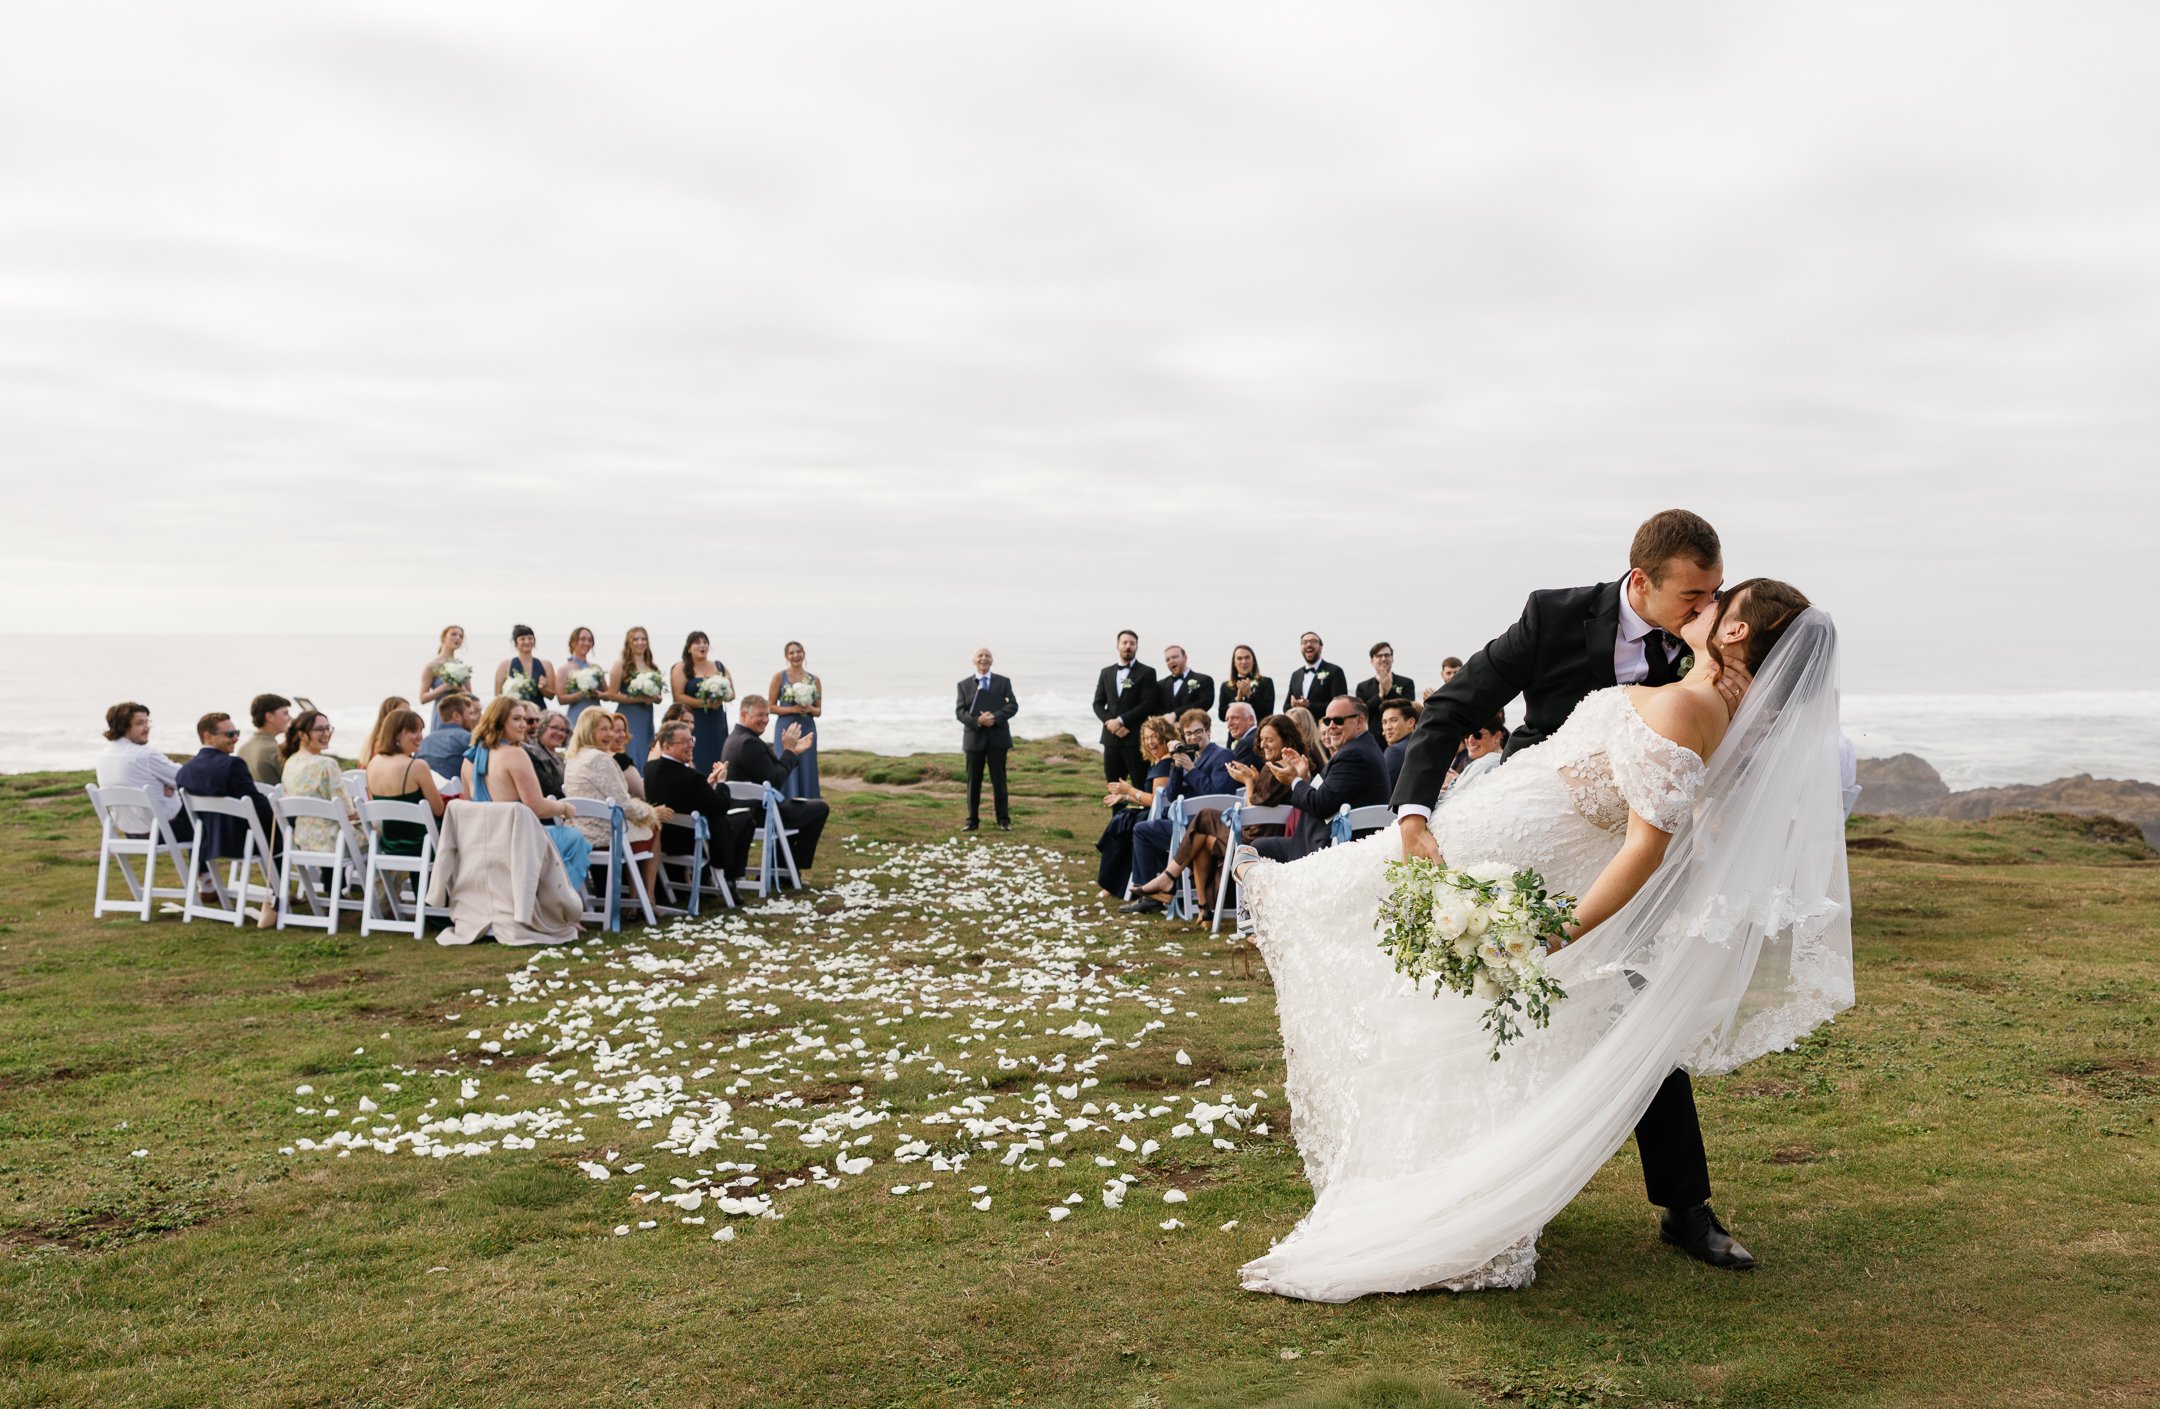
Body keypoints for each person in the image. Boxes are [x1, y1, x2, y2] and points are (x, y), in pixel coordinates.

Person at [1236, 571, 1840, 1302]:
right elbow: (1455, 708)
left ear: (1737, 630)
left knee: (1528, 1013)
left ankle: (1668, 1207)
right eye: (1699, 590)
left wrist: (1552, 931)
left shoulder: (1689, 701)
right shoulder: (1581, 630)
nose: (1704, 604)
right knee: (1432, 999)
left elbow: (1647, 847)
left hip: (1554, 867)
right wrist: (1416, 813)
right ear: (1648, 579)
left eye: (1718, 597)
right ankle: (1427, 1174)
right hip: (1501, 819)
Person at [461, 696, 593, 881]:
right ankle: (555, 902)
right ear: (498, 721)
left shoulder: (469, 758)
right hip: (515, 841)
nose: (523, 725)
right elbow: (537, 806)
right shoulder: (515, 755)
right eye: (516, 719)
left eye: (524, 719)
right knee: (575, 839)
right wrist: (564, 808)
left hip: (484, 840)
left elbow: (470, 805)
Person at [1122, 710, 1239, 915]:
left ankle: (1153, 894)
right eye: (1188, 734)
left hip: (1207, 828)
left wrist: (1192, 770)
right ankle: (1152, 891)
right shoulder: (1190, 756)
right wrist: (1177, 766)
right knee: (1143, 828)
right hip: (1187, 824)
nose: (1193, 737)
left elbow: (1216, 795)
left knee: (1143, 830)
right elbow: (1171, 792)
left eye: (1198, 732)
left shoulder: (1222, 755)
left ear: (1209, 731)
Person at [1248, 695, 1390, 864]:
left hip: (1327, 849)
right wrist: (1304, 776)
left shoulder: (1353, 754)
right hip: (1332, 842)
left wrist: (1294, 781)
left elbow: (1320, 805)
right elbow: (1328, 794)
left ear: (1359, 722)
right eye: (1327, 720)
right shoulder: (1363, 748)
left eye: (1338, 720)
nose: (1331, 727)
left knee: (1252, 850)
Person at [564, 709, 672, 902]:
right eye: (603, 729)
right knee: (654, 826)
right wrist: (651, 811)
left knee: (645, 822)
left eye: (610, 729)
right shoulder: (600, 759)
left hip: (581, 830)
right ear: (588, 731)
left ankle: (638, 898)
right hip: (606, 834)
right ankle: (646, 898)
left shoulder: (574, 757)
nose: (609, 735)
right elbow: (623, 804)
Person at [643, 719, 756, 889]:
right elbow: (720, 807)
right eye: (684, 742)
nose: (690, 745)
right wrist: (722, 783)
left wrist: (707, 784)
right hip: (691, 841)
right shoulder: (690, 776)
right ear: (666, 747)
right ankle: (730, 877)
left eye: (691, 740)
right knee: (746, 818)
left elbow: (685, 796)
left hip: (664, 837)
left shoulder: (649, 769)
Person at [722, 695, 830, 873]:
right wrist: (789, 751)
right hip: (759, 814)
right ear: (743, 714)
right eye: (760, 715)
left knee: (794, 809)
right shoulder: (749, 743)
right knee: (819, 808)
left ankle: (781, 867)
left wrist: (793, 751)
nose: (765, 720)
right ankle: (791, 868)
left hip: (744, 809)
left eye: (767, 715)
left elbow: (768, 775)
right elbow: (774, 782)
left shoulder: (734, 737)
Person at [176, 711, 273, 865]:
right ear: (208, 736)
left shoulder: (185, 771)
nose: (236, 738)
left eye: (237, 733)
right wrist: (280, 816)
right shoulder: (232, 765)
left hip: (208, 842)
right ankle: (280, 885)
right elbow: (257, 805)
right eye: (229, 734)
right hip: (242, 842)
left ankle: (206, 881)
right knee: (281, 829)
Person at [1094, 716, 1176, 898]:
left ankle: (1113, 885)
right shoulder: (1159, 761)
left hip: (1160, 819)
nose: (1150, 742)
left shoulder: (1166, 764)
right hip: (1153, 814)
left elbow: (1157, 801)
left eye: (1154, 736)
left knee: (1121, 824)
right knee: (1121, 820)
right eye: (1146, 738)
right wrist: (1124, 796)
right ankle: (1115, 884)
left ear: (1166, 736)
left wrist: (1130, 789)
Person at [96, 702, 190, 842]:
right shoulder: (146, 755)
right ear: (123, 726)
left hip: (130, 831)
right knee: (200, 815)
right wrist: (169, 787)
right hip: (162, 832)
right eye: (140, 723)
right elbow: (187, 779)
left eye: (147, 722)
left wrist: (166, 786)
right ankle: (202, 863)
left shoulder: (102, 757)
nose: (147, 728)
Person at [363, 708, 446, 858]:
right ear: (395, 734)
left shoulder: (373, 764)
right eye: (413, 731)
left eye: (421, 731)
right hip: (423, 845)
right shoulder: (416, 766)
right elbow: (438, 809)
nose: (420, 737)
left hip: (389, 844)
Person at [957, 648, 1019, 832]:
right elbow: (960, 712)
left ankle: (1003, 820)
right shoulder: (963, 685)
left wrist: (995, 717)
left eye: (987, 656)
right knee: (973, 781)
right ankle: (972, 821)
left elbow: (1013, 705)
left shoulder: (1003, 682)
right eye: (980, 656)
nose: (984, 658)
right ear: (973, 660)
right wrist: (978, 721)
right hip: (973, 739)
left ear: (992, 660)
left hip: (997, 739)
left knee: (999, 781)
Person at [1092, 631, 1157, 790]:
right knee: (1114, 787)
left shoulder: (1147, 672)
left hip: (1135, 738)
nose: (1128, 646)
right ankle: (1117, 815)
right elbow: (1098, 703)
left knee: (1141, 785)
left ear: (1137, 647)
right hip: (1111, 740)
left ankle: (1145, 815)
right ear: (1117, 645)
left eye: (1132, 643)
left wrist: (1121, 721)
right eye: (1125, 642)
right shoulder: (1106, 672)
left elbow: (1148, 704)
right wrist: (1111, 724)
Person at [279, 709, 346, 856]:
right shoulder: (327, 764)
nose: (326, 733)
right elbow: (346, 809)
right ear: (301, 734)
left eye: (328, 728)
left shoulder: (290, 762)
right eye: (319, 730)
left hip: (303, 838)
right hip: (334, 840)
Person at [767, 640, 823, 801]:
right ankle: (784, 801)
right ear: (786, 656)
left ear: (804, 654)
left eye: (798, 651)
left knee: (807, 765)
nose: (796, 655)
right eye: (791, 653)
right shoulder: (779, 677)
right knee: (785, 763)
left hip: (807, 726)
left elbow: (819, 710)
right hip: (786, 728)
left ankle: (809, 802)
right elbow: (770, 706)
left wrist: (810, 709)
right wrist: (792, 709)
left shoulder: (814, 680)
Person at [673, 631, 734, 776]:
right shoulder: (681, 668)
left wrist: (722, 696)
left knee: (718, 754)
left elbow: (732, 694)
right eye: (697, 642)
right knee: (697, 754)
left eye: (705, 642)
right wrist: (704, 703)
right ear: (689, 648)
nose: (702, 645)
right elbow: (678, 697)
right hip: (694, 721)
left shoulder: (719, 666)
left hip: (716, 721)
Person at [609, 626, 665, 766]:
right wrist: (639, 699)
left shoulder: (653, 667)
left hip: (646, 715)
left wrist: (655, 698)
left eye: (643, 638)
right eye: (636, 639)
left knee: (646, 748)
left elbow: (659, 697)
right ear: (629, 642)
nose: (640, 642)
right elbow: (612, 694)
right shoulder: (620, 665)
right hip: (628, 715)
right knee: (631, 749)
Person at [1355, 642, 1416, 735]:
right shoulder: (1362, 687)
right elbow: (1362, 714)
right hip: (1373, 737)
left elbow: (1410, 710)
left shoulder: (1406, 683)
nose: (1383, 659)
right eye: (1379, 656)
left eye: (1387, 655)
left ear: (1392, 658)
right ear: (1372, 660)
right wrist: (1380, 695)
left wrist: (1389, 691)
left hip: (1400, 736)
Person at [416, 694, 478, 780]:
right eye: (470, 714)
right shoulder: (467, 738)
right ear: (457, 716)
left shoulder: (423, 742)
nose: (474, 718)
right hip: (458, 790)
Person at [1443, 715, 1507, 797]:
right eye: (1466, 735)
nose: (1470, 740)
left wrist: (1450, 784)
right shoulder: (1499, 761)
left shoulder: (1488, 761)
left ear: (1497, 737)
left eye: (1477, 735)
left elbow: (1454, 798)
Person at [1285, 632, 1347, 717]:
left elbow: (1340, 705)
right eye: (1304, 642)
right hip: (1299, 727)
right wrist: (1294, 705)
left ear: (1321, 647)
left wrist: (1309, 705)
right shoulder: (1296, 675)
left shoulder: (1335, 671)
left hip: (1324, 726)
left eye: (1313, 641)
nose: (1309, 644)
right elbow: (1286, 707)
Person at [419, 625, 469, 727]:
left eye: (461, 636)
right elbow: (423, 698)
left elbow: (470, 696)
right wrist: (444, 687)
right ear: (443, 637)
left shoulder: (462, 667)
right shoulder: (431, 666)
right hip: (441, 714)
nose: (458, 638)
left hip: (461, 715)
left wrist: (460, 688)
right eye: (454, 634)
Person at [494, 624, 556, 706]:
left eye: (530, 638)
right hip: (514, 711)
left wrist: (543, 688)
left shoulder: (546, 665)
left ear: (534, 641)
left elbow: (551, 696)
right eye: (522, 639)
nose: (527, 642)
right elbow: (498, 696)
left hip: (538, 712)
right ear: (516, 642)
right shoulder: (505, 665)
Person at [239, 693, 291, 784]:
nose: (290, 718)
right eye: (285, 713)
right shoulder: (276, 751)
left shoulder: (242, 749)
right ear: (269, 717)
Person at [1154, 645, 1214, 723]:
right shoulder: (1160, 684)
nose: (1171, 661)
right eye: (1167, 660)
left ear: (1185, 657)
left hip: (1194, 729)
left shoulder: (1204, 680)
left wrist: (1175, 714)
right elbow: (1156, 707)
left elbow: (1204, 703)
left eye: (1174, 657)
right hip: (1168, 731)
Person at [559, 626, 605, 728]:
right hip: (577, 716)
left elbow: (607, 695)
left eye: (590, 640)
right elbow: (561, 699)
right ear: (573, 642)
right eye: (583, 639)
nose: (587, 643)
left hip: (596, 714)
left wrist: (598, 694)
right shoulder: (564, 669)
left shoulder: (596, 668)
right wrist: (581, 694)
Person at [1217, 645, 1275, 724]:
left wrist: (1250, 695)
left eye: (1247, 658)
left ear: (1253, 661)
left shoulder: (1266, 682)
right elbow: (1222, 716)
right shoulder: (1226, 686)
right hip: (1235, 734)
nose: (1244, 662)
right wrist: (1237, 698)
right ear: (1234, 663)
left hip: (1259, 732)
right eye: (1239, 658)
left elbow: (1268, 713)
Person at [523, 706, 568, 799]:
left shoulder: (557, 756)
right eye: (554, 728)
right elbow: (548, 788)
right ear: (541, 727)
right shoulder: (536, 753)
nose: (560, 733)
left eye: (563, 730)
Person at [1378, 698, 1420, 792]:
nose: (1388, 727)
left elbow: (1383, 790)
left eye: (1393, 720)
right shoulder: (1420, 744)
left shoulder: (1395, 751)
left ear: (1411, 722)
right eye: (1384, 722)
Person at [358, 696, 410, 766]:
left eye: (409, 712)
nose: (410, 717)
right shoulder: (386, 744)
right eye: (403, 713)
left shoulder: (373, 740)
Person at [1224, 701, 1261, 767]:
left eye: (1235, 718)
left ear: (1251, 720)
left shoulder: (1246, 743)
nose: (1229, 724)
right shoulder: (1259, 736)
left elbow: (1233, 774)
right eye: (1227, 720)